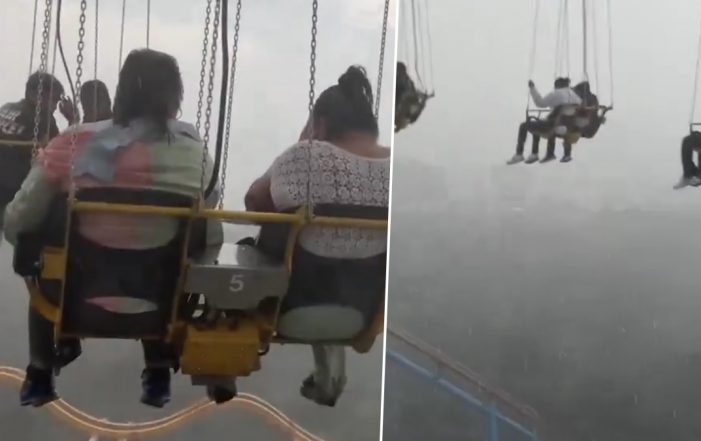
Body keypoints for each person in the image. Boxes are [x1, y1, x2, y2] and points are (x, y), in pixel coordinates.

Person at [4, 48, 222, 408]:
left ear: (120, 93)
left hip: (71, 297)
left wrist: (28, 242)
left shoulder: (73, 144)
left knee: (40, 248)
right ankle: (157, 369)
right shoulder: (197, 157)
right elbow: (208, 210)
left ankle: (40, 371)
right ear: (175, 98)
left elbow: (17, 219)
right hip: (159, 301)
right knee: (179, 250)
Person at [245, 65, 389, 407]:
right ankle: (330, 369)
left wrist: (302, 144)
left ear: (320, 125)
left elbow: (254, 202)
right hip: (362, 305)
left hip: (293, 302)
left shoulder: (305, 156)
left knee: (266, 247)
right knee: (335, 257)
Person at [0, 73, 76, 223]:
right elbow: (60, 152)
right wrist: (72, 120)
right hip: (10, 188)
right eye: (54, 99)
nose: (55, 106)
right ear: (37, 94)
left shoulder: (6, 108)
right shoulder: (43, 118)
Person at [507, 77, 582, 165]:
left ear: (557, 85)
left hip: (553, 126)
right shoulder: (575, 96)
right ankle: (535, 154)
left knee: (524, 125)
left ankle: (520, 154)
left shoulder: (557, 93)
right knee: (537, 123)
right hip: (568, 127)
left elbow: (540, 103)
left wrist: (532, 88)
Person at [394, 61, 429, 132]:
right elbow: (420, 106)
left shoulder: (407, 81)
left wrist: (423, 98)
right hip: (406, 96)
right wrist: (424, 99)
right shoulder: (411, 116)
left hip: (405, 96)